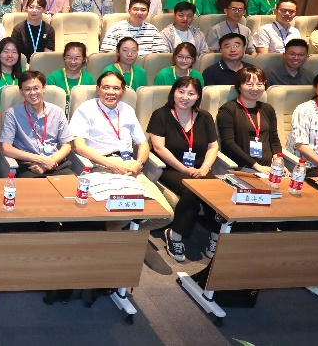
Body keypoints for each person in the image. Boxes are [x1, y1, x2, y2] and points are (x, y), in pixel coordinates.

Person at [147, 77, 220, 263]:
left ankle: (215, 235)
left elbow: (213, 146)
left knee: (216, 191)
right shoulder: (161, 115)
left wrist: (204, 168)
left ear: (198, 97)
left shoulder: (205, 117)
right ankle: (175, 234)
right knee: (192, 191)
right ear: (173, 93)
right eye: (181, 91)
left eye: (191, 93)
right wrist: (185, 170)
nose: (185, 97)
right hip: (172, 168)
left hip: (200, 169)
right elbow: (159, 148)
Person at [69, 70, 150, 174]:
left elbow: (143, 144)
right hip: (99, 164)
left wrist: (138, 164)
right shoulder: (86, 109)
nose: (111, 92)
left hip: (128, 164)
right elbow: (78, 146)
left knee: (145, 185)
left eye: (116, 88)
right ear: (98, 89)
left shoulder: (127, 109)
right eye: (106, 87)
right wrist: (111, 164)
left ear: (123, 91)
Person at [0, 71, 74, 178]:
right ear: (21, 91)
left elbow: (66, 145)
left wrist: (49, 162)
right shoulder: (13, 113)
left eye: (36, 88)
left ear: (44, 88)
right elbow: (6, 148)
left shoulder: (57, 112)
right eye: (27, 89)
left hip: (56, 163)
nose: (33, 93)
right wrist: (41, 160)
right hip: (29, 166)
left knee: (72, 186)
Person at [217, 65, 282, 174]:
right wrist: (257, 167)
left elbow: (274, 139)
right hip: (242, 168)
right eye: (249, 84)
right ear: (239, 86)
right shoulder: (228, 110)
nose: (255, 88)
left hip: (268, 168)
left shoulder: (268, 109)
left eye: (259, 84)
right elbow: (229, 144)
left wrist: (278, 163)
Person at [102, 0, 168, 54]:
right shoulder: (116, 28)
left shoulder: (152, 30)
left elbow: (160, 54)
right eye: (135, 9)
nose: (139, 13)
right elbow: (107, 53)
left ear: (148, 12)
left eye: (143, 10)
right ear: (129, 11)